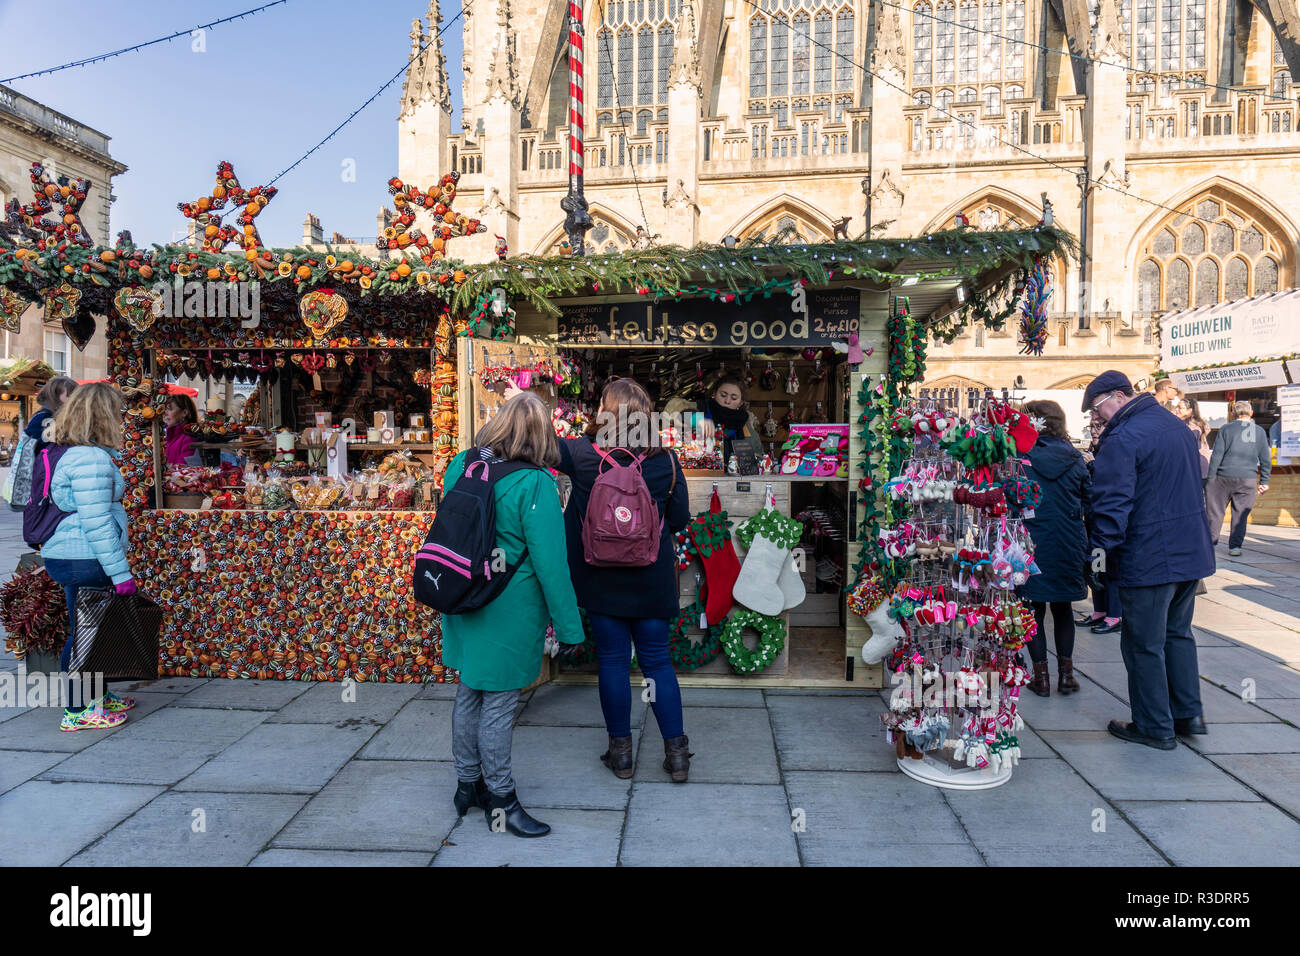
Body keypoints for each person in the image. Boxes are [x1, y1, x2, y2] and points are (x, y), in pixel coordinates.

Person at [439, 392, 585, 838]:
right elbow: (550, 563)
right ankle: (500, 798)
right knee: (500, 704)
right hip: (508, 606)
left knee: (469, 693)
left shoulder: (462, 463)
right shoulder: (535, 483)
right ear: (542, 434)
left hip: (462, 595)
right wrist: (570, 626)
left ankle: (468, 785)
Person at [556, 378, 693, 782]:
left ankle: (621, 755)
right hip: (650, 577)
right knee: (657, 662)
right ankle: (677, 755)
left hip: (601, 578)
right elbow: (681, 519)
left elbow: (534, 445)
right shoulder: (665, 461)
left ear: (604, 410)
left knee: (613, 662)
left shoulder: (581, 454)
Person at [1085, 370, 1215, 750]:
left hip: (1150, 556)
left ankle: (1154, 725)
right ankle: (1188, 715)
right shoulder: (1174, 426)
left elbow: (1112, 504)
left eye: (1097, 407)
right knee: (1177, 634)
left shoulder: (1124, 437)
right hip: (1188, 552)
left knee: (1143, 643)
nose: (1096, 417)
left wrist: (1098, 556)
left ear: (1119, 397)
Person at [40, 383, 138, 732]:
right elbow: (96, 523)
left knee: (93, 631)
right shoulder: (91, 459)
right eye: (117, 413)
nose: (122, 419)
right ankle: (77, 710)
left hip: (75, 554)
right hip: (84, 557)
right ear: (102, 416)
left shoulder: (82, 453)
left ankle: (98, 695)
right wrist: (120, 573)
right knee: (86, 636)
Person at [1018, 401, 1090, 697]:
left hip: (1032, 541)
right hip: (1068, 540)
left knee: (1032, 608)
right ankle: (1066, 676)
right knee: (1063, 608)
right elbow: (1088, 498)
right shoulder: (1075, 458)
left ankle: (1041, 677)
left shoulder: (1021, 457)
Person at [1205, 400, 1271, 557]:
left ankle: (1210, 544)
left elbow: (1217, 455)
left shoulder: (1226, 429)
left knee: (1215, 513)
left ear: (1233, 414)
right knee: (1240, 514)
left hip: (1223, 477)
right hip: (1247, 478)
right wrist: (1264, 481)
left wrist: (1211, 478)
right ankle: (1235, 547)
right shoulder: (1260, 431)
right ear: (1251, 413)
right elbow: (1265, 459)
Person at [1078, 415, 1122, 634]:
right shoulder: (1094, 451)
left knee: (1111, 568)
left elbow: (1111, 484)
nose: (1094, 431)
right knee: (1096, 566)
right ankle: (1100, 610)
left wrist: (1092, 466)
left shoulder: (1113, 451)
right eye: (1092, 427)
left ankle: (1115, 614)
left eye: (1099, 426)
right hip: (1093, 519)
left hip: (1109, 522)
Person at [26, 376, 78, 449]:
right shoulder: (44, 417)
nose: (74, 399)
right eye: (70, 395)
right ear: (55, 395)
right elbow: (41, 447)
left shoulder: (54, 415)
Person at [1175, 396, 1212, 479]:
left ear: (1190, 411)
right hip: (1199, 467)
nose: (1176, 410)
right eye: (1177, 407)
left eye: (1180, 408)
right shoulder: (1195, 424)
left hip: (1195, 467)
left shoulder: (1192, 426)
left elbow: (1186, 448)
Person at [161, 394, 200, 468]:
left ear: (184, 413)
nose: (165, 413)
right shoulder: (169, 437)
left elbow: (183, 470)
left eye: (169, 409)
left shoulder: (190, 438)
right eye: (165, 409)